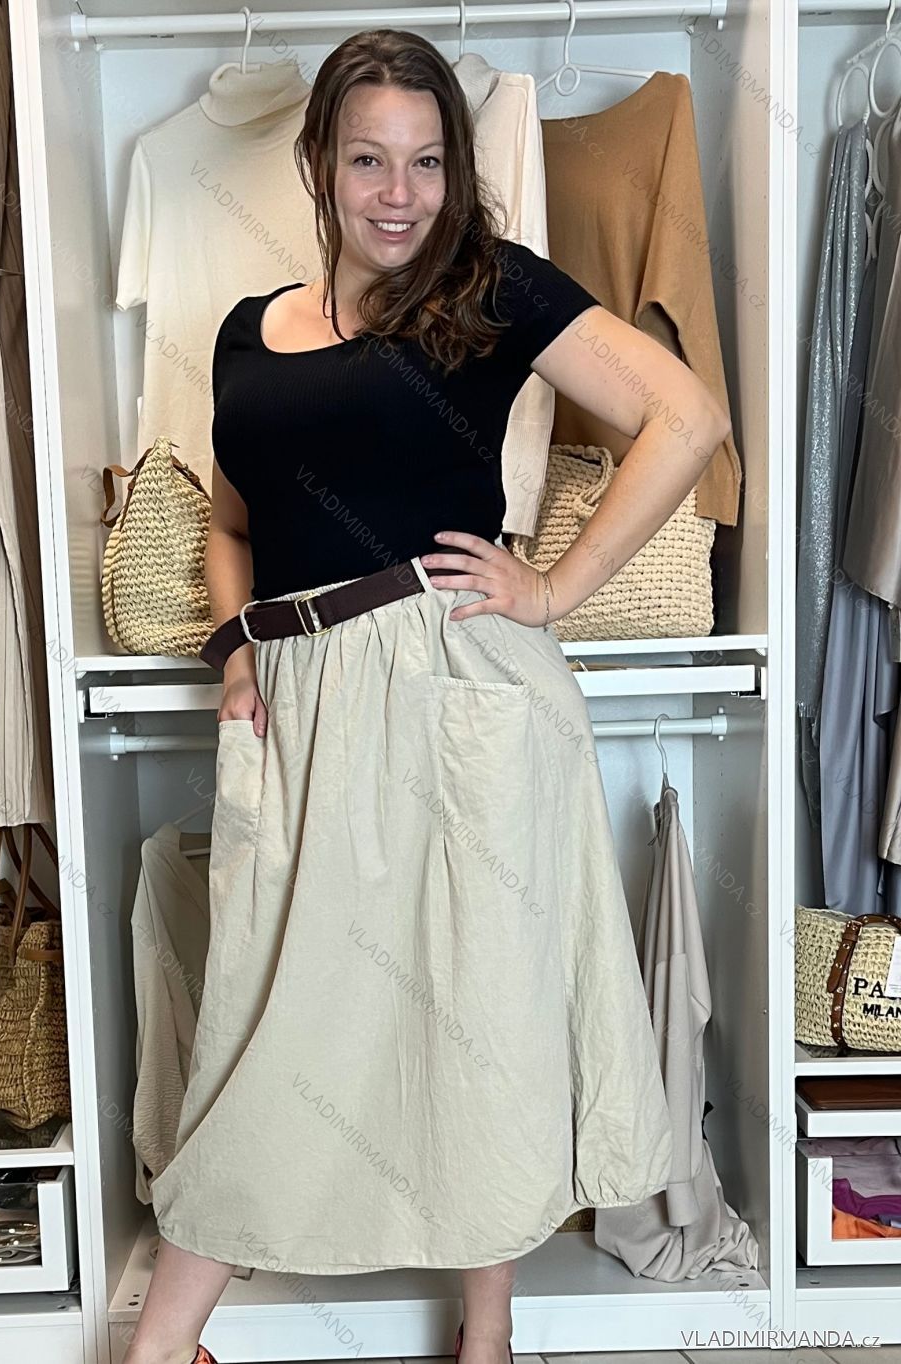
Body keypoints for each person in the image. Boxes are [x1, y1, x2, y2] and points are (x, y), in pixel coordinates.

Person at [127, 27, 732, 1364]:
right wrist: (236, 648)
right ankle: (170, 1344)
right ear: (317, 163)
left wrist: (554, 589)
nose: (398, 195)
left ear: (456, 170)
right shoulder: (245, 334)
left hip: (452, 675)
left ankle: (484, 1335)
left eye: (425, 163)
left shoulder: (497, 288)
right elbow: (231, 520)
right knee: (266, 1020)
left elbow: (688, 419)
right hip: (298, 700)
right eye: (368, 161)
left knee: (478, 1003)